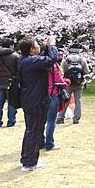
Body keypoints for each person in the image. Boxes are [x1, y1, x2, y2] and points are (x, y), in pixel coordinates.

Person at [18, 36, 58, 172]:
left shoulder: (25, 60)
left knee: (32, 130)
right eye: (37, 45)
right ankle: (29, 163)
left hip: (29, 99)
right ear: (31, 49)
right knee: (34, 131)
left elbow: (44, 59)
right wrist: (52, 45)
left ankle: (28, 159)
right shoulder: (30, 62)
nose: (38, 47)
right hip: (35, 101)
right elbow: (51, 60)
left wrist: (47, 47)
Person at [0, 38, 19, 128]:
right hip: (11, 83)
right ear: (11, 45)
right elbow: (18, 71)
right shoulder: (15, 56)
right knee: (12, 102)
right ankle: (11, 122)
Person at [56, 44, 90, 125]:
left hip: (68, 83)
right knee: (78, 101)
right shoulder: (82, 60)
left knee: (65, 100)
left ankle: (60, 117)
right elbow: (86, 71)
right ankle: (76, 119)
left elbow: (61, 71)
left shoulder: (66, 60)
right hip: (79, 83)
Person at [42, 48, 67, 151]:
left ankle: (40, 141)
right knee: (51, 120)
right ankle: (49, 143)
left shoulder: (38, 64)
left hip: (40, 95)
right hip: (52, 94)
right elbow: (59, 80)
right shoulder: (53, 65)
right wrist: (65, 82)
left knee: (41, 120)